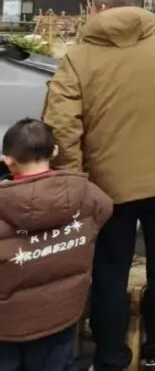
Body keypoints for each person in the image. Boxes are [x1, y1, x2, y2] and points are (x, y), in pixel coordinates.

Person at [44, 0, 155, 371]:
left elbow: (61, 124)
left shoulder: (78, 57)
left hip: (107, 185)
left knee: (109, 270)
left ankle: (111, 358)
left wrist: (75, 177)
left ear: (98, 8)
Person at [0, 119, 114, 371]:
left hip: (7, 324)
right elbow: (105, 208)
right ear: (54, 151)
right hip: (62, 314)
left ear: (7, 160)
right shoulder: (85, 192)